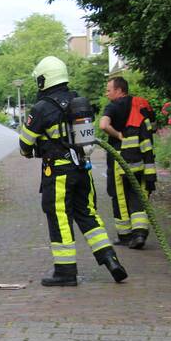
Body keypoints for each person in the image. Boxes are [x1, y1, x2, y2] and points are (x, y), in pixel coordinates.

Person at [19, 56, 128, 286]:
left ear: (44, 79)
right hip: (82, 168)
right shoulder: (79, 101)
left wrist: (30, 149)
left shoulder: (41, 108)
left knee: (59, 217)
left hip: (58, 173)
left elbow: (25, 145)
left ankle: (65, 272)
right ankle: (111, 260)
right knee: (87, 214)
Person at [99, 76, 157, 249]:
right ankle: (139, 234)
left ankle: (125, 236)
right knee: (138, 193)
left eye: (109, 90)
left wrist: (117, 135)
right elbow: (152, 127)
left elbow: (103, 125)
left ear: (119, 90)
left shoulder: (113, 107)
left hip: (119, 159)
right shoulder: (141, 105)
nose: (106, 93)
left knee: (119, 196)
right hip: (140, 159)